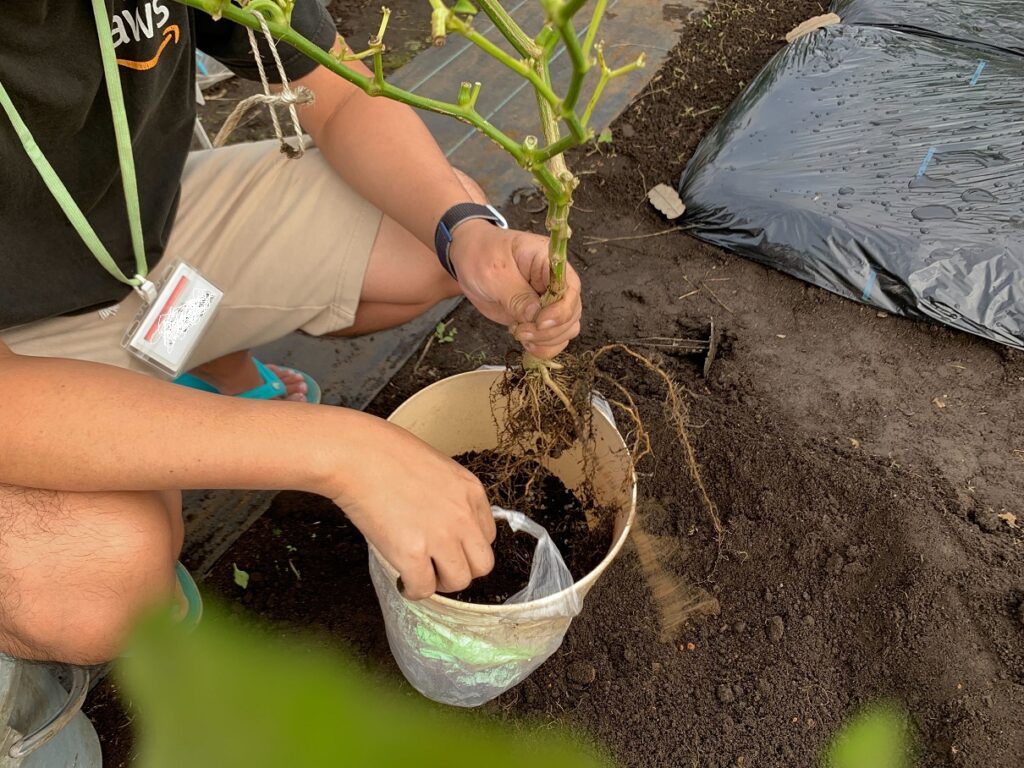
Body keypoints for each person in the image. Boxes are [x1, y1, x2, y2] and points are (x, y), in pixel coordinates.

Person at [0, 0, 582, 665]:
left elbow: (336, 96)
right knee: (102, 582)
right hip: (19, 346)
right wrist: (345, 452)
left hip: (142, 248)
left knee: (427, 232)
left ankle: (192, 367)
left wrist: (466, 230)